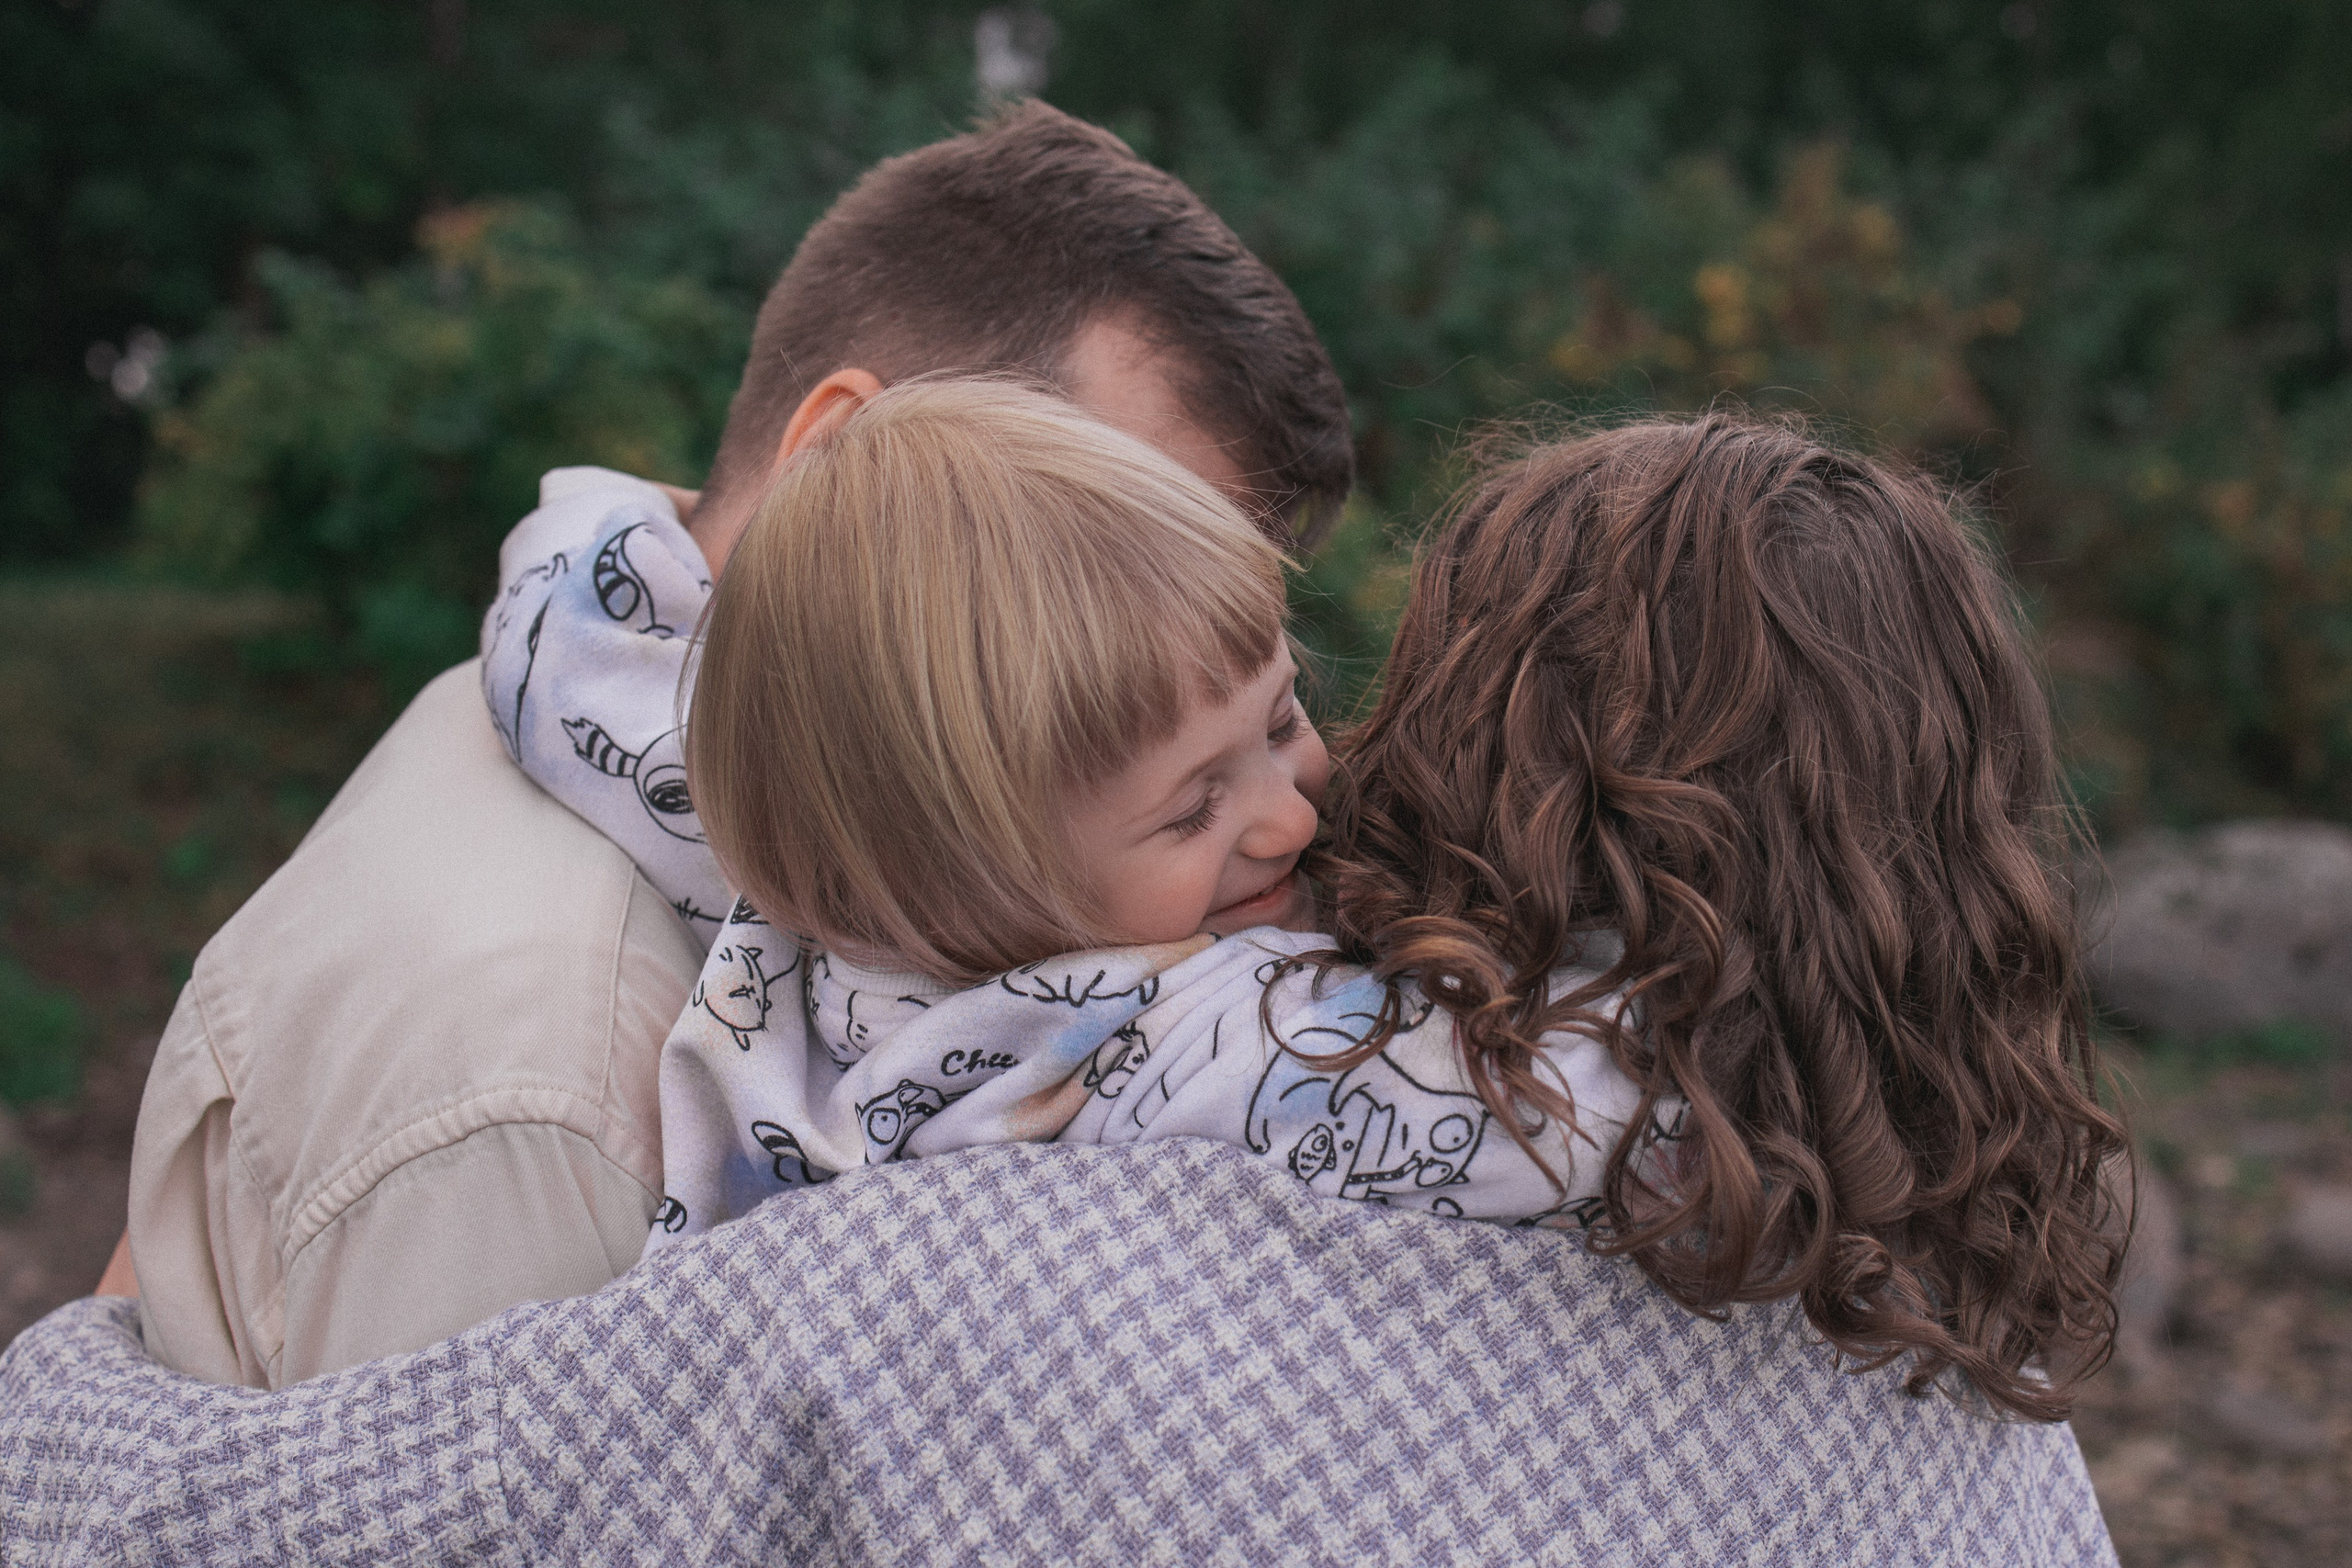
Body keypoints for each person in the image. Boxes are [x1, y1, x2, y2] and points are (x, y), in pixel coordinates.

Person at [0, 412, 2120, 1562]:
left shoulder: (954, 1274)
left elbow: (253, 1525)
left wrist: (90, 1349)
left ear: (1475, 740)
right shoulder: (1954, 1362)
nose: (1306, 781)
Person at [119, 100, 1352, 1389]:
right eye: (1089, 545)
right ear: (840, 455)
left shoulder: (573, 691)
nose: (1156, 624)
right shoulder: (555, 1083)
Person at [493, 375, 1646, 1241]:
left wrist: (600, 511)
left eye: (1284, 720)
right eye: (1193, 812)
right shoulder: (1120, 1047)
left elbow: (572, 654)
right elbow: (1578, 1124)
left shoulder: (787, 839)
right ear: (939, 879)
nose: (1288, 820)